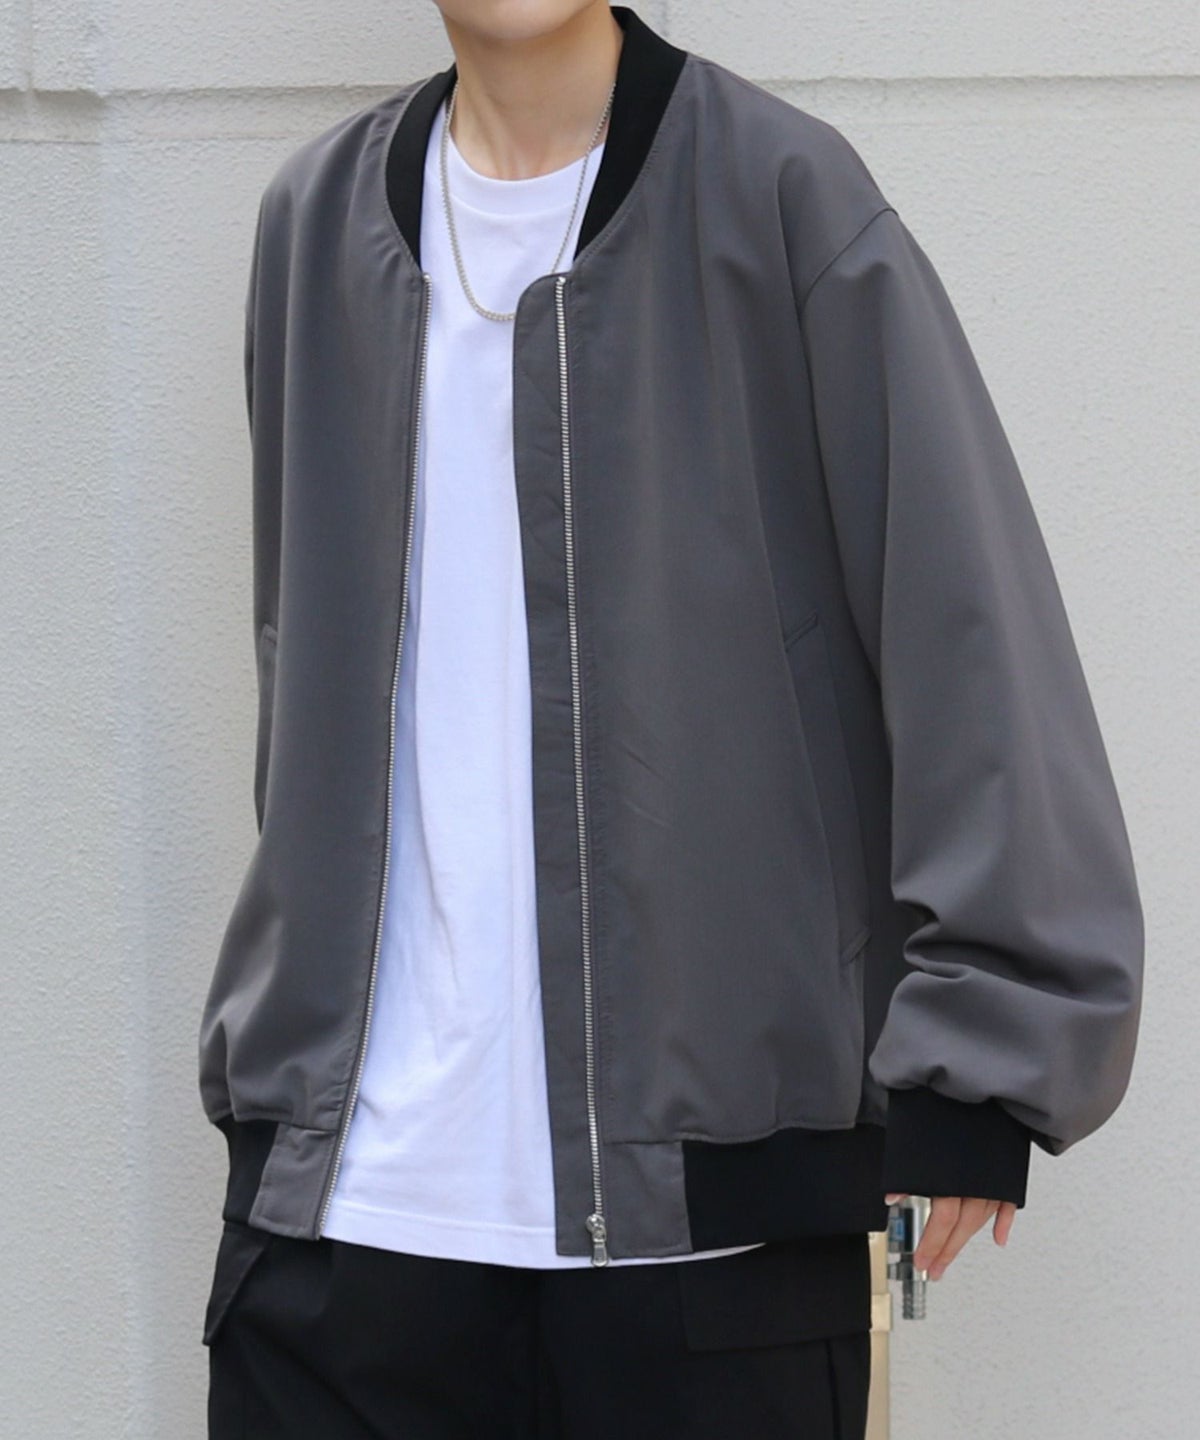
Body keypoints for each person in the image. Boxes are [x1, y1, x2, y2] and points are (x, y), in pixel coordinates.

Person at [196, 4, 1145, 1436]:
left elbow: (965, 619)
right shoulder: (315, 223)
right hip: (342, 1236)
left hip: (707, 1253)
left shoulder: (781, 196)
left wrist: (990, 1048)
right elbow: (306, 667)